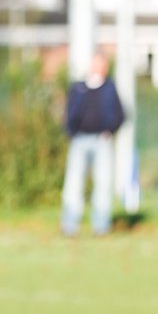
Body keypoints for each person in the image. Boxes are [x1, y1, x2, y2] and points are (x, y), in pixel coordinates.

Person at [61, 52, 125, 237]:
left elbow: (120, 115)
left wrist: (109, 130)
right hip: (79, 140)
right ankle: (70, 225)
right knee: (73, 184)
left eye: (101, 64)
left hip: (101, 141)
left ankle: (101, 226)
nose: (98, 68)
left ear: (105, 67)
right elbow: (69, 112)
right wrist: (71, 132)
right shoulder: (79, 88)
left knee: (103, 184)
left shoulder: (110, 88)